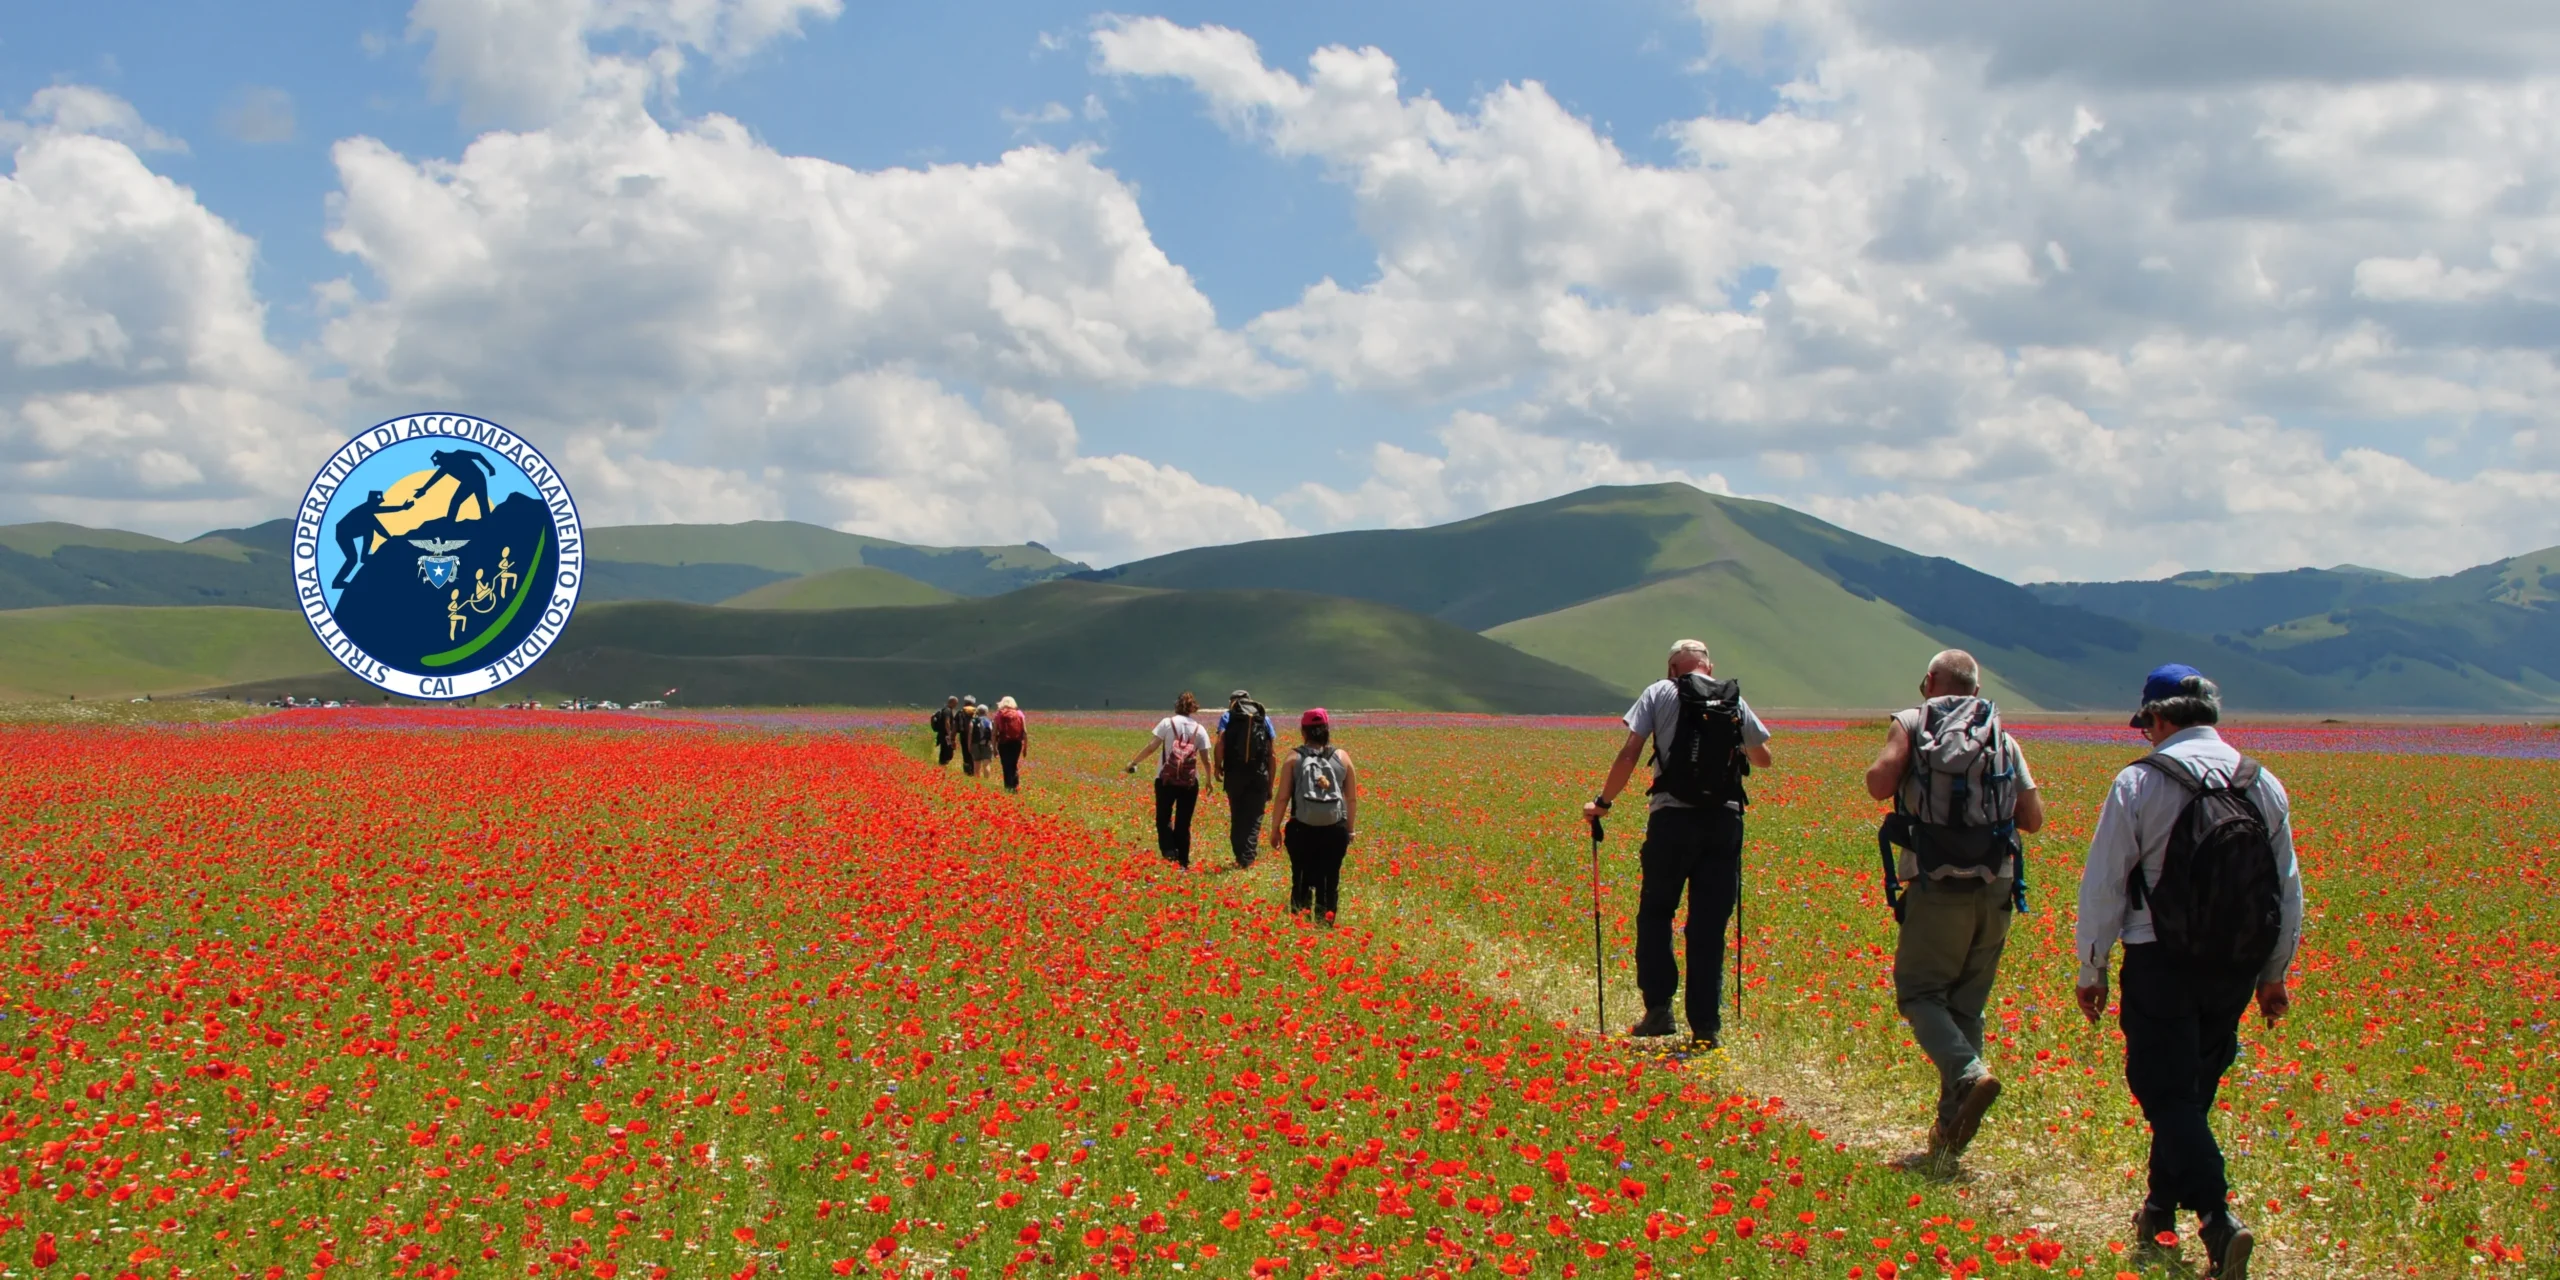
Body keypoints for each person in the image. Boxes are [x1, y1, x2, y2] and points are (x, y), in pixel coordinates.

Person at [2075, 665, 2303, 1280]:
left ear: (2159, 717)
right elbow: (2287, 890)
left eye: (2146, 723)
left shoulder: (2139, 784)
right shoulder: (2264, 783)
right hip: (2235, 962)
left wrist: (2090, 965)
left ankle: (2216, 1218)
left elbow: (2104, 884)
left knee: (2165, 1091)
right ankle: (2157, 1209)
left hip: (2160, 957)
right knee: (2191, 1091)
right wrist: (2273, 973)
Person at [1863, 650, 2047, 1168]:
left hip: (1936, 880)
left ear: (1930, 683)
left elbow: (1879, 784)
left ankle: (1967, 1076)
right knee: (1965, 1004)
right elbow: (2032, 819)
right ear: (1975, 686)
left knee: (1921, 992)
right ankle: (1949, 1131)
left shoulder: (1914, 723)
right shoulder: (2001, 737)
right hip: (1997, 884)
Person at [1580, 639, 1773, 1048]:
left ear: (1672, 668)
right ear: (1709, 666)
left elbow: (1632, 751)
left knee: (1656, 912)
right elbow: (1763, 758)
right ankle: (1706, 1026)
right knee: (1707, 926)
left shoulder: (1658, 691)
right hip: (1724, 820)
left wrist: (1603, 802)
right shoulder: (1732, 698)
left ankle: (1659, 1011)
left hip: (1672, 819)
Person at [1125, 691, 1216, 867]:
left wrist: (1134, 762)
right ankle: (1183, 860)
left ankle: (1169, 851)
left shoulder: (1167, 723)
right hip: (1189, 782)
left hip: (1165, 779)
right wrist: (1208, 780)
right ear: (1193, 708)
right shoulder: (1200, 729)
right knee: (1183, 822)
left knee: (1163, 817)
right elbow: (1206, 759)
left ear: (1177, 706)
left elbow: (1151, 747)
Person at [1217, 690, 1278, 869]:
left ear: (1233, 702)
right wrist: (1270, 783)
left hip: (1235, 773)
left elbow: (1220, 742)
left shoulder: (1228, 716)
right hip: (1259, 773)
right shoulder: (1263, 718)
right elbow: (1272, 754)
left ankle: (1240, 856)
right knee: (1254, 817)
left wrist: (1217, 767)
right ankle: (1248, 858)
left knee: (1237, 815)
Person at [330, 490, 415, 588]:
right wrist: (402, 508)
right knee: (352, 558)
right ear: (373, 501)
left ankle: (364, 556)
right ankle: (337, 582)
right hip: (343, 533)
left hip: (348, 531)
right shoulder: (366, 509)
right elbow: (381, 520)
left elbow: (379, 527)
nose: (379, 504)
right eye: (378, 502)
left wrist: (390, 538)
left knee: (369, 529)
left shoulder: (368, 513)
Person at [994, 696, 1029, 792]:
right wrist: (1025, 747)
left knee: (1006, 764)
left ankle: (1008, 786)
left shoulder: (999, 715)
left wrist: (994, 747)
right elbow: (1025, 732)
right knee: (1014, 764)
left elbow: (994, 733)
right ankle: (1015, 786)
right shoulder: (1019, 714)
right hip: (1016, 743)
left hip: (1003, 743)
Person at [968, 701, 997, 785]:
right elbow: (993, 734)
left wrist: (969, 745)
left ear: (977, 711)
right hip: (987, 744)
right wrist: (993, 745)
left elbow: (970, 734)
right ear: (986, 712)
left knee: (976, 764)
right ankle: (987, 782)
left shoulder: (973, 721)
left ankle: (977, 782)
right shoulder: (989, 721)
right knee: (986, 763)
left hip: (975, 744)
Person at [931, 695, 961, 768]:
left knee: (946, 751)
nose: (956, 705)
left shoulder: (944, 709)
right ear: (952, 702)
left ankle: (942, 765)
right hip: (946, 735)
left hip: (943, 735)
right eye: (955, 703)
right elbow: (947, 722)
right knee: (947, 752)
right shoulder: (947, 710)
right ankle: (942, 765)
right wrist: (950, 734)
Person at [957, 698, 983, 777]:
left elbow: (955, 726)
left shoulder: (960, 712)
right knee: (975, 755)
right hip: (976, 737)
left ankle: (968, 772)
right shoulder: (976, 712)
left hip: (964, 736)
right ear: (973, 704)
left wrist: (952, 738)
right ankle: (975, 772)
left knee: (966, 754)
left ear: (965, 703)